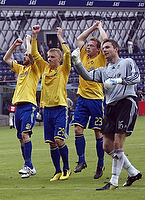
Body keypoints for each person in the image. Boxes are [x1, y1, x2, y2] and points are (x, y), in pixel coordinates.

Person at [72, 39, 142, 190]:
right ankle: (133, 172)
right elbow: (87, 76)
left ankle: (113, 181)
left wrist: (118, 81)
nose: (105, 50)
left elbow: (137, 78)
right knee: (107, 146)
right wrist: (77, 62)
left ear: (116, 49)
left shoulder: (127, 62)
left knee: (117, 143)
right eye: (103, 48)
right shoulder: (104, 70)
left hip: (126, 102)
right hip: (110, 106)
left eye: (107, 47)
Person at [32, 25, 71, 181]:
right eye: (48, 57)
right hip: (47, 110)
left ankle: (67, 169)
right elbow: (35, 54)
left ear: (59, 59)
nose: (49, 59)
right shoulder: (45, 69)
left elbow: (68, 52)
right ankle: (57, 171)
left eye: (53, 57)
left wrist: (60, 37)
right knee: (51, 143)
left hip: (60, 108)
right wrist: (34, 36)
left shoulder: (63, 69)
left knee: (58, 139)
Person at [72, 21, 107, 179]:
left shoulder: (101, 58)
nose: (88, 47)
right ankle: (81, 160)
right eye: (88, 45)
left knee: (98, 133)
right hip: (82, 98)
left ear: (98, 49)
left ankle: (100, 164)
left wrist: (100, 28)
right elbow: (80, 39)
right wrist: (92, 28)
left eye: (92, 45)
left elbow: (106, 41)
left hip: (96, 99)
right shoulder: (84, 55)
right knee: (77, 129)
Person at [3, 34, 41, 178]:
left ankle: (28, 165)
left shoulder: (35, 69)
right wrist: (14, 46)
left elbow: (31, 55)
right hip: (18, 107)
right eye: (23, 54)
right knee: (20, 138)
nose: (25, 56)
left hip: (29, 105)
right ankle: (29, 166)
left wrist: (27, 41)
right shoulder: (21, 69)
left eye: (26, 55)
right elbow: (6, 59)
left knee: (25, 134)